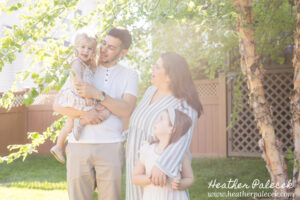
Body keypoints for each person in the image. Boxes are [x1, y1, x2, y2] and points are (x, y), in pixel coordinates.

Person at [53, 27, 138, 200]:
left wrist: (97, 94)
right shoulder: (83, 67)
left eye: (111, 47)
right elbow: (57, 105)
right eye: (104, 44)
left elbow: (126, 109)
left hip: (111, 146)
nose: (104, 49)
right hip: (78, 146)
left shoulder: (130, 75)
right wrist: (84, 115)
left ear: (123, 52)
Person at [125, 52, 202, 200]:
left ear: (170, 76)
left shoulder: (184, 104)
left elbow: (181, 140)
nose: (152, 68)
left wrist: (162, 166)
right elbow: (139, 124)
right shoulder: (150, 91)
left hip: (160, 172)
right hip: (137, 165)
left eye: (157, 67)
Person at [50, 32, 110, 164]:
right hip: (77, 96)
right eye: (82, 47)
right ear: (75, 47)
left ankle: (59, 146)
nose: (85, 51)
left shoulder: (87, 65)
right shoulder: (76, 63)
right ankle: (80, 125)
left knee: (69, 124)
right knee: (102, 111)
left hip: (81, 96)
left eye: (90, 49)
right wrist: (86, 95)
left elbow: (94, 72)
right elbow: (77, 81)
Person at [132, 108, 194, 200]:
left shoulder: (179, 154)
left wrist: (180, 184)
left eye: (161, 119)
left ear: (171, 129)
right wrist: (152, 179)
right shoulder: (147, 150)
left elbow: (189, 178)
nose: (156, 121)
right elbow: (135, 177)